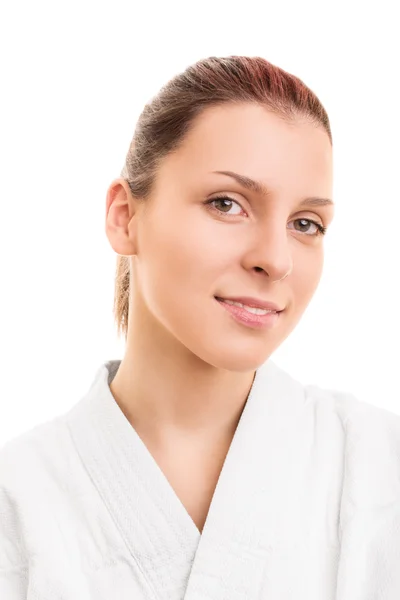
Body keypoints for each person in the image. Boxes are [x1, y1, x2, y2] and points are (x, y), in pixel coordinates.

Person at [1, 55, 400, 599]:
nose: (276, 259)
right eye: (227, 204)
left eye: (306, 224)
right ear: (126, 216)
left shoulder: (381, 468)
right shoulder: (17, 500)